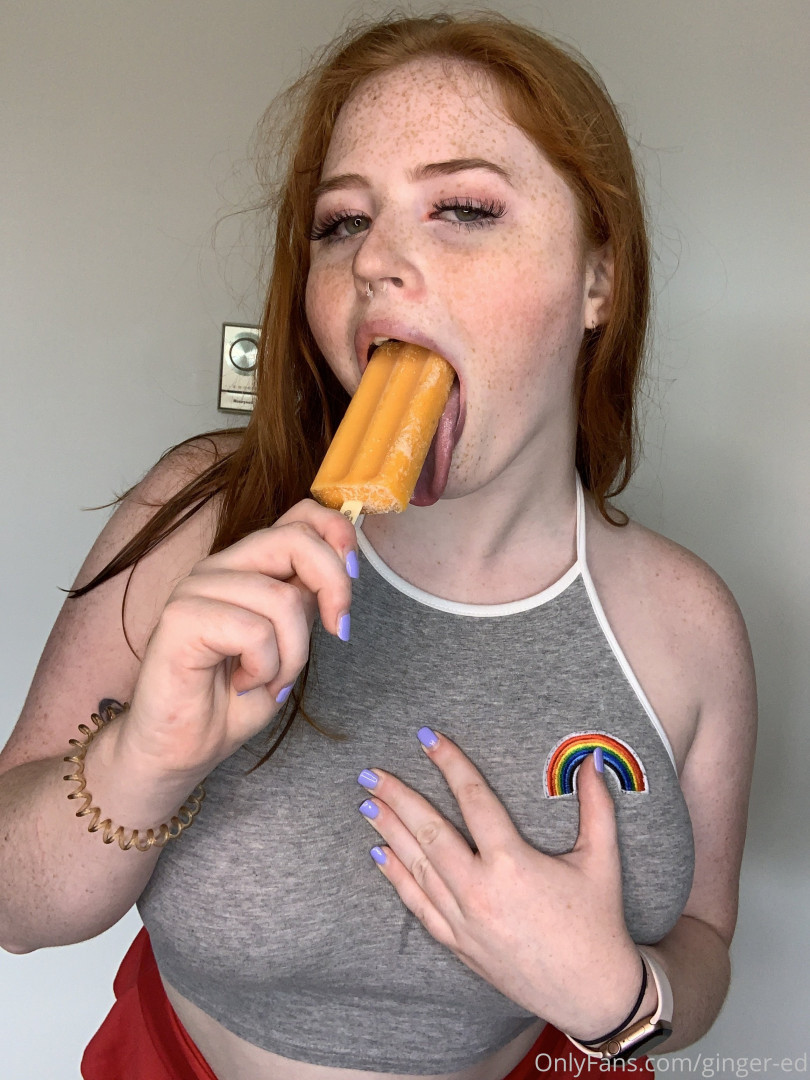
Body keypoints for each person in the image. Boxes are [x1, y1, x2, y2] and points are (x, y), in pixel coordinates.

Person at [0, 10, 756, 1080]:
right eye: (342, 222)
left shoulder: (691, 624)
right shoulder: (200, 517)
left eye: (464, 207)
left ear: (600, 277)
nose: (377, 261)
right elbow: (13, 910)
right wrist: (142, 763)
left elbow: (707, 945)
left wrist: (622, 994)